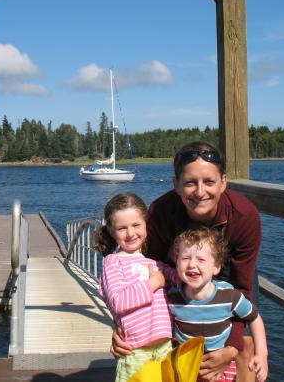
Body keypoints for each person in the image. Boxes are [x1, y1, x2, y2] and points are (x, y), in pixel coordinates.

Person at [111, 141, 262, 382]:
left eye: (209, 182)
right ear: (176, 185)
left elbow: (242, 287)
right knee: (168, 342)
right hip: (176, 276)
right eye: (190, 183)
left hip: (227, 275)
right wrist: (123, 326)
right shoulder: (160, 212)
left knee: (244, 344)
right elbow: (146, 273)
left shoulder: (244, 216)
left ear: (223, 182)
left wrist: (231, 347)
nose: (200, 192)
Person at [93, 192, 178, 382]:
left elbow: (181, 279)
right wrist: (155, 282)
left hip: (164, 346)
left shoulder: (155, 263)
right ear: (111, 231)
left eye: (136, 225)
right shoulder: (113, 263)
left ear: (146, 224)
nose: (130, 233)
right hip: (135, 349)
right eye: (122, 228)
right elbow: (118, 302)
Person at [167, 227, 268, 382]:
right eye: (185, 258)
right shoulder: (171, 297)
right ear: (176, 261)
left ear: (216, 267)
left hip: (219, 369)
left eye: (201, 259)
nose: (192, 264)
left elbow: (254, 318)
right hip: (186, 367)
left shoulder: (229, 296)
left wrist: (261, 354)